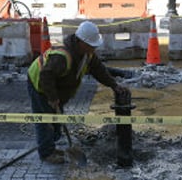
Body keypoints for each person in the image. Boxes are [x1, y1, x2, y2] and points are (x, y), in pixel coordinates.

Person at [27, 20, 130, 164]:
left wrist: (114, 85)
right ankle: (46, 153)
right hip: (40, 84)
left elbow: (99, 71)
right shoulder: (62, 57)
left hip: (56, 87)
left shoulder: (87, 54)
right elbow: (46, 75)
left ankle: (50, 145)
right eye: (90, 46)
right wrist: (52, 97)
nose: (93, 49)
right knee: (45, 120)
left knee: (57, 119)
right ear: (80, 42)